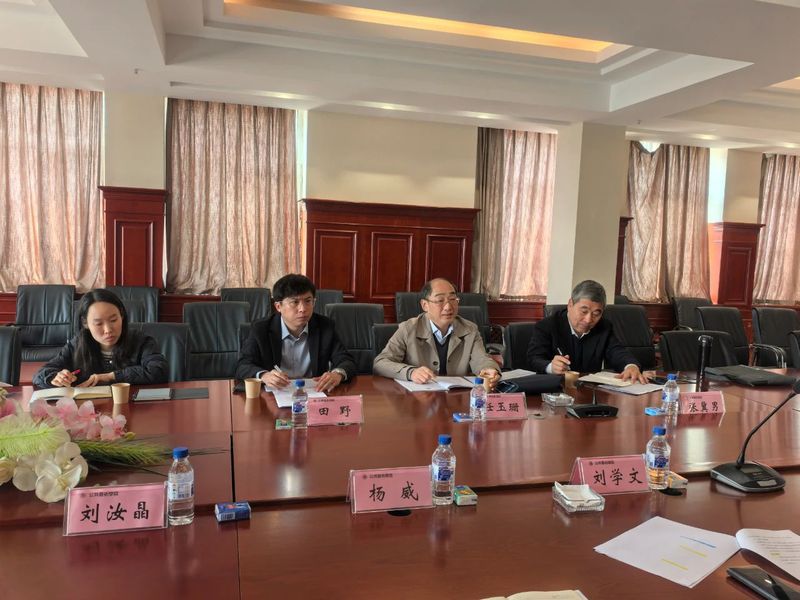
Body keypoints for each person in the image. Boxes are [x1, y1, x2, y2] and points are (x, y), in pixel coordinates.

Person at [235, 274, 356, 392]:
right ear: (278, 306)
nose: (303, 309)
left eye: (308, 301)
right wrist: (264, 375)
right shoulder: (261, 329)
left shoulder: (325, 326)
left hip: (313, 393)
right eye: (295, 302)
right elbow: (243, 366)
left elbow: (346, 361)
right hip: (275, 394)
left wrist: (337, 374)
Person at [373, 278, 500, 385]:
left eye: (452, 299)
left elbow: (481, 359)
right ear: (425, 305)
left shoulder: (470, 329)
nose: (448, 307)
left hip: (456, 397)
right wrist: (410, 372)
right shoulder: (408, 329)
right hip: (419, 398)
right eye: (440, 300)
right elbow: (380, 363)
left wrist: (489, 369)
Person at [34, 289, 168, 388]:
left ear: (122, 316)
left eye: (113, 320)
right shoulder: (77, 344)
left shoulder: (141, 342)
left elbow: (159, 371)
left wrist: (111, 376)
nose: (108, 330)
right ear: (85, 323)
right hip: (90, 412)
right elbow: (40, 375)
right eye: (98, 324)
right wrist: (55, 377)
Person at [526, 280, 647, 383]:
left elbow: (617, 352)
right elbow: (533, 358)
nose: (589, 319)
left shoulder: (604, 327)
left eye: (596, 314)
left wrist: (631, 366)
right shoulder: (548, 325)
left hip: (589, 391)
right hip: (555, 391)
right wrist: (551, 367)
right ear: (570, 304)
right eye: (584, 311)